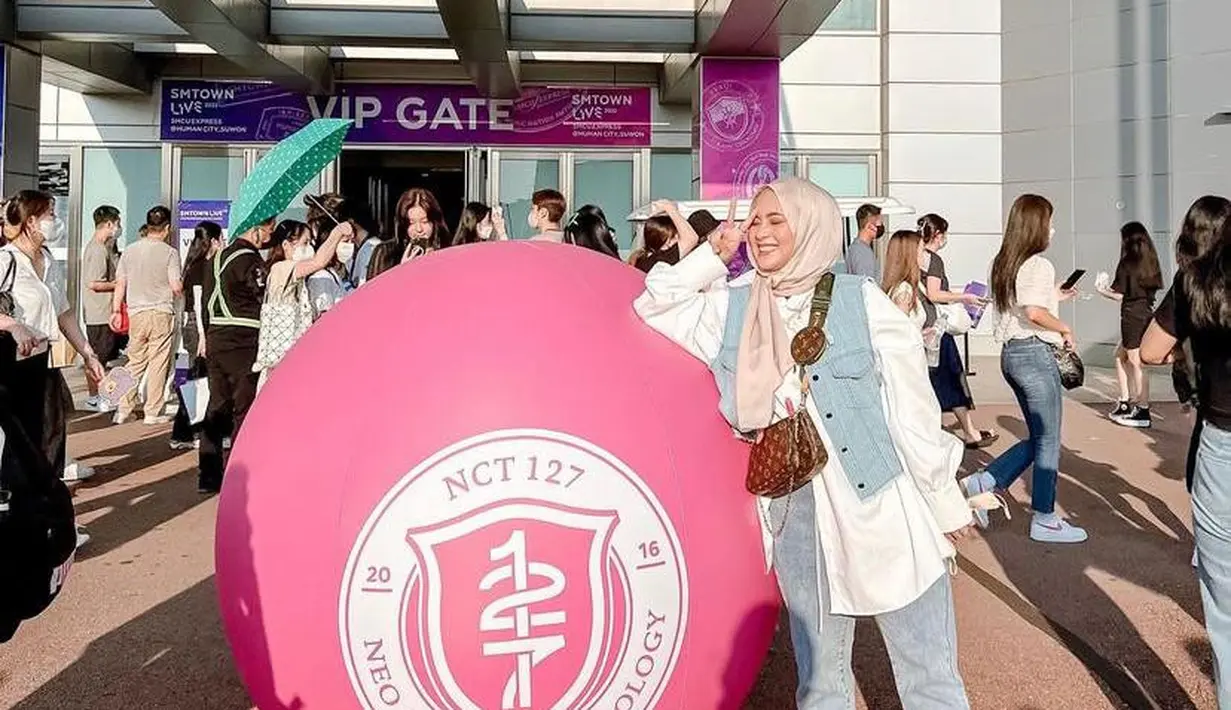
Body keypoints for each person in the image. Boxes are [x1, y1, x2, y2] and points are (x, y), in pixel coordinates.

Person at [635, 179, 973, 709]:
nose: (760, 232)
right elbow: (656, 304)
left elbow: (914, 417)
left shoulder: (865, 303)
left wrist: (944, 504)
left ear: (811, 225)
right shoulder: (733, 306)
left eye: (777, 220)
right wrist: (713, 255)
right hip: (793, 509)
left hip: (881, 502)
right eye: (755, 221)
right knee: (820, 683)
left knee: (929, 675)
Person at [1141, 202, 1231, 707]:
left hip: (1221, 442)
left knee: (1225, 605)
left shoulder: (1193, 280)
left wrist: (1193, 341)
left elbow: (1150, 351)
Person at [963, 194, 1086, 544]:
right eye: (1049, 221)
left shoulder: (1003, 262)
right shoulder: (1038, 264)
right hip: (1034, 354)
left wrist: (1054, 297)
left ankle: (985, 482)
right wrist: (1063, 328)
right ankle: (1044, 517)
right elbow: (1032, 312)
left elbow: (1023, 306)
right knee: (1048, 439)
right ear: (1036, 226)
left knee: (1040, 437)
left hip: (1011, 355)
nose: (1053, 228)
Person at [0, 190, 104, 546]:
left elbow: (64, 314)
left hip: (41, 363)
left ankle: (42, 521)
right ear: (31, 221)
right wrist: (12, 325)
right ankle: (30, 524)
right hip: (8, 365)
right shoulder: (5, 261)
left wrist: (88, 353)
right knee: (24, 448)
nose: (55, 220)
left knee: (50, 440)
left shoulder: (48, 261)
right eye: (49, 213)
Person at [199, 216, 275, 494]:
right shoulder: (250, 259)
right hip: (244, 338)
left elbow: (206, 300)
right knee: (243, 407)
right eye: (269, 228)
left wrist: (206, 335)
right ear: (256, 229)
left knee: (217, 404)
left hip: (216, 336)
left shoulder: (216, 258)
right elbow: (262, 296)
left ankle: (208, 474)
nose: (270, 234)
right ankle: (235, 473)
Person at [917, 212, 996, 449]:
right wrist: (965, 297)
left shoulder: (912, 256)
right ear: (938, 235)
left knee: (927, 380)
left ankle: (964, 429)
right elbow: (934, 294)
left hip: (920, 325)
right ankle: (969, 432)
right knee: (951, 377)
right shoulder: (934, 261)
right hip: (937, 329)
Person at [256, 219, 353, 389]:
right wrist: (337, 233)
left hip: (292, 359)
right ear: (286, 245)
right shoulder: (281, 269)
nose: (309, 248)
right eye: (305, 243)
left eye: (311, 242)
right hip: (281, 361)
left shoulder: (299, 278)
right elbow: (318, 262)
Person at [110, 206, 183, 425]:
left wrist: (115, 310)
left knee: (134, 361)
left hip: (136, 313)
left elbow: (120, 283)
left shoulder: (130, 251)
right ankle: (152, 412)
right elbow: (176, 286)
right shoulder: (170, 253)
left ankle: (122, 408)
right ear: (167, 227)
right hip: (161, 311)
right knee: (159, 363)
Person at [1096, 221, 1163, 428]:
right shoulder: (1151, 261)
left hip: (1131, 316)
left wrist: (1101, 289)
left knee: (1135, 361)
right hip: (1145, 313)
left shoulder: (1127, 263)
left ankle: (1142, 409)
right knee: (1120, 355)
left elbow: (1119, 295)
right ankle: (1125, 402)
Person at [169, 221, 222, 450]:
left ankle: (187, 430)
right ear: (212, 241)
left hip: (192, 323)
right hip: (198, 324)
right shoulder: (203, 266)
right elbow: (200, 301)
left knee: (196, 376)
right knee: (198, 377)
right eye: (220, 239)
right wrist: (202, 334)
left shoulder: (192, 263)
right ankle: (187, 430)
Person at [81, 205, 123, 412]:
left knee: (103, 357)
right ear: (108, 224)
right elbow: (94, 283)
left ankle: (100, 396)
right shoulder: (97, 249)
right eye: (117, 223)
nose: (119, 228)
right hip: (100, 313)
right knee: (99, 358)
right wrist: (119, 283)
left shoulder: (101, 247)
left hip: (99, 312)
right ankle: (97, 397)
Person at [366, 188, 447, 282]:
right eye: (411, 223)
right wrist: (402, 271)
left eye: (424, 222)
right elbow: (372, 292)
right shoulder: (385, 253)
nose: (419, 229)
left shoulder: (445, 251)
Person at [881, 229, 931, 330]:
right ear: (911, 254)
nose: (926, 255)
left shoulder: (898, 287)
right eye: (922, 250)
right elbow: (901, 333)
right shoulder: (904, 290)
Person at [845, 203, 883, 280]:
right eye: (879, 223)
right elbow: (867, 285)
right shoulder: (862, 251)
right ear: (870, 225)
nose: (881, 226)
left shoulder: (855, 248)